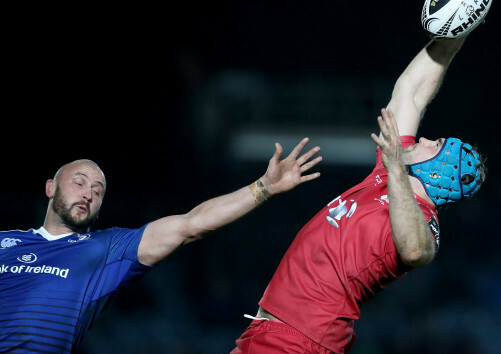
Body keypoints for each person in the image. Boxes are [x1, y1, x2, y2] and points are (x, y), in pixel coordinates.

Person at [231, 33, 487, 353]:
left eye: (433, 145)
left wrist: (395, 167)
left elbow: (416, 252)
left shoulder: (420, 212)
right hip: (273, 331)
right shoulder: (390, 170)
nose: (423, 140)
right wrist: (454, 36)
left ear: (437, 173)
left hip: (300, 340)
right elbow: (411, 93)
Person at [0, 138, 322, 353]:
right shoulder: (5, 242)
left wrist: (264, 186)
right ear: (50, 187)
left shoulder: (107, 249)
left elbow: (191, 224)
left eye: (97, 191)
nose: (88, 193)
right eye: (79, 182)